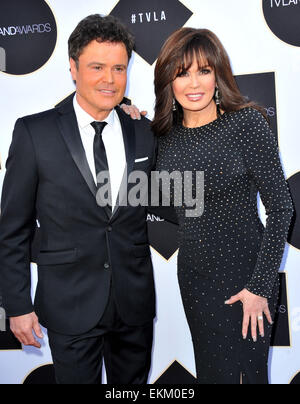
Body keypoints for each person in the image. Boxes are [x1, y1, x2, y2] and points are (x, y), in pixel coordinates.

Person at [0, 14, 157, 384]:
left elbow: (173, 199)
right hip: (69, 303)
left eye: (119, 68)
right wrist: (18, 305)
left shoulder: (144, 130)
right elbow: (12, 229)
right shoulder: (34, 132)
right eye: (97, 67)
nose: (110, 79)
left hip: (133, 303)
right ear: (73, 67)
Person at [151, 27, 294, 384]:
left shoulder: (245, 123)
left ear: (218, 74)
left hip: (246, 276)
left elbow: (281, 208)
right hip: (196, 279)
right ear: (168, 80)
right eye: (181, 73)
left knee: (248, 376)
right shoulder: (164, 137)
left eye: (204, 70)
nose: (193, 83)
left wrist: (260, 286)